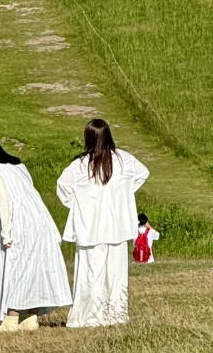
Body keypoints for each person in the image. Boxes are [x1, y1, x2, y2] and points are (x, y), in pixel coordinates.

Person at [0, 133, 72, 333]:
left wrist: (7, 233)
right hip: (39, 218)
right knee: (31, 268)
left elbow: (4, 203)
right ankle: (30, 317)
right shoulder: (19, 165)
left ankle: (11, 318)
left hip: (20, 222)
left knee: (15, 268)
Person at [56, 118, 149, 329]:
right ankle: (115, 314)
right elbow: (143, 173)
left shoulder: (80, 165)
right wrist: (124, 195)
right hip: (117, 226)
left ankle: (90, 316)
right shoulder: (124, 159)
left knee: (91, 272)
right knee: (116, 273)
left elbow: (62, 188)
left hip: (91, 227)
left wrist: (78, 205)